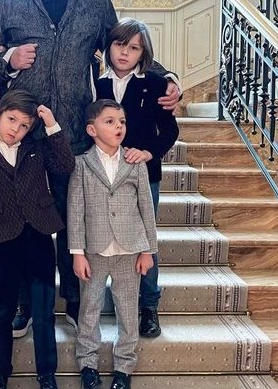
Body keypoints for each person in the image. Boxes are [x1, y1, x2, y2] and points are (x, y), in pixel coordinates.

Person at [0, 0, 180, 336]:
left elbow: (125, 48)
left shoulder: (94, 1)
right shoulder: (9, 3)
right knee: (23, 221)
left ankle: (74, 300)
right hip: (23, 138)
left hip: (73, 136)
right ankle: (25, 303)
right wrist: (9, 59)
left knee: (74, 220)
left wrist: (168, 77)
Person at [0, 90, 75, 389]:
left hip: (39, 236)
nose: (15, 129)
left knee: (43, 312)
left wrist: (51, 125)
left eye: (24, 125)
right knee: (2, 311)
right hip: (4, 241)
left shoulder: (37, 148)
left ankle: (47, 375)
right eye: (12, 120)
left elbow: (66, 165)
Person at [95, 18, 179, 339]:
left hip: (143, 176)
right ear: (109, 46)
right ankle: (105, 298)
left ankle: (149, 305)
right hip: (103, 177)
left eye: (133, 48)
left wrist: (149, 152)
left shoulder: (155, 85)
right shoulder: (97, 84)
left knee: (144, 240)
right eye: (119, 45)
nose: (124, 53)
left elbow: (170, 130)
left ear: (143, 53)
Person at [67, 100, 158, 389]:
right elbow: (75, 211)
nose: (118, 126)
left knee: (128, 311)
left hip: (129, 250)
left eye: (122, 121)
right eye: (110, 121)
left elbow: (146, 208)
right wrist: (77, 253)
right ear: (91, 130)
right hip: (94, 250)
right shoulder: (81, 164)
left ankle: (124, 368)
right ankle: (88, 365)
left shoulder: (135, 163)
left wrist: (148, 250)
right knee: (89, 309)